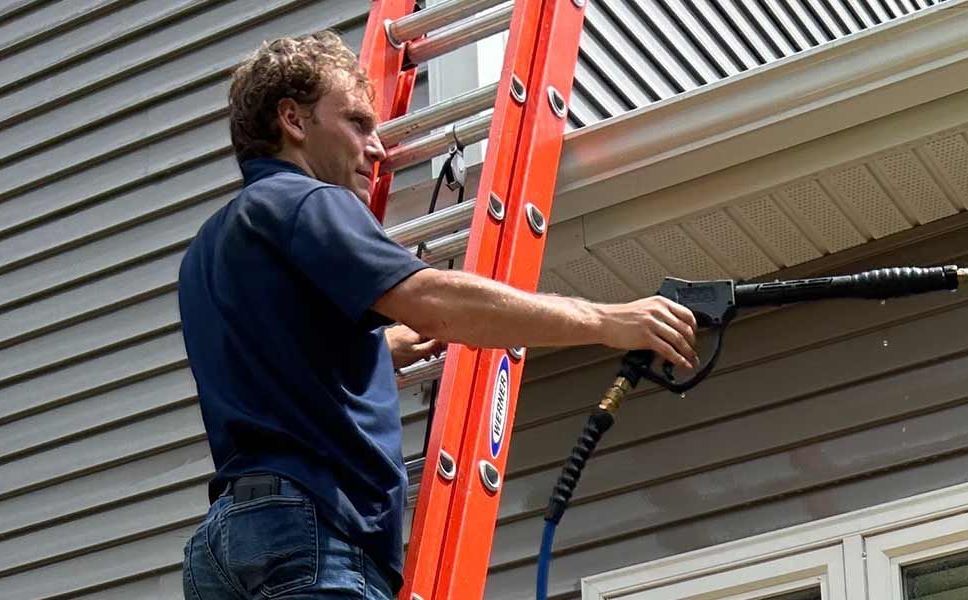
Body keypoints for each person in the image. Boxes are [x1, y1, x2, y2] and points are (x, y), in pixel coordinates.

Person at [176, 31, 697, 600]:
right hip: (310, 530)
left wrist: (379, 350)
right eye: (357, 124)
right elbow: (436, 303)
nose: (377, 148)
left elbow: (280, 356)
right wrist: (604, 320)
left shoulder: (208, 249)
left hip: (224, 548)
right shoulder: (306, 202)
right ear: (293, 121)